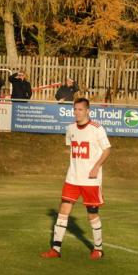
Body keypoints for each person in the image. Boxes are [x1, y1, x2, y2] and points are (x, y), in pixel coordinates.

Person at [40, 97, 111, 260]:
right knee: (63, 211)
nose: (77, 113)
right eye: (75, 109)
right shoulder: (70, 128)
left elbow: (107, 150)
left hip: (90, 180)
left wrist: (96, 167)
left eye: (80, 109)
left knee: (92, 214)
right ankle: (55, 249)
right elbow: (72, 150)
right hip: (72, 178)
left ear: (87, 111)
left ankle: (98, 249)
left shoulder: (97, 128)